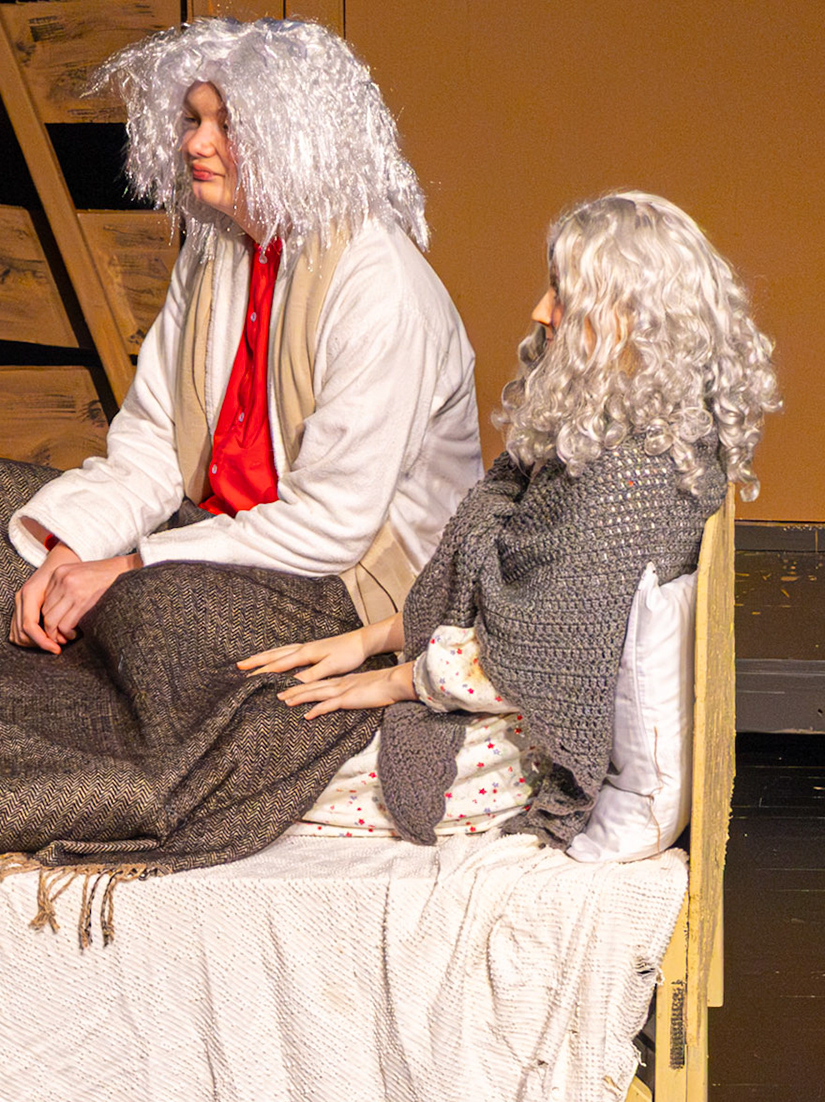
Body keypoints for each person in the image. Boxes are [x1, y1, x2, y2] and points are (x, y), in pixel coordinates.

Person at [242, 191, 779, 846]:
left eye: (563, 294)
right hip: (477, 687)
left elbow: (540, 659)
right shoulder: (622, 432)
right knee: (256, 709)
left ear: (634, 317)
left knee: (258, 768)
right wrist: (369, 639)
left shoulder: (630, 481)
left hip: (521, 743)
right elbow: (516, 596)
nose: (540, 311)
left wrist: (385, 682)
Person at [11, 17, 480, 656]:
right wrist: (70, 551)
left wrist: (127, 570)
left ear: (295, 136)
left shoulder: (381, 285)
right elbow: (154, 441)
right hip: (220, 534)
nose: (196, 144)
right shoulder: (216, 250)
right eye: (193, 120)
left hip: (356, 579)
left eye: (227, 126)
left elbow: (330, 527)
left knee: (142, 615)